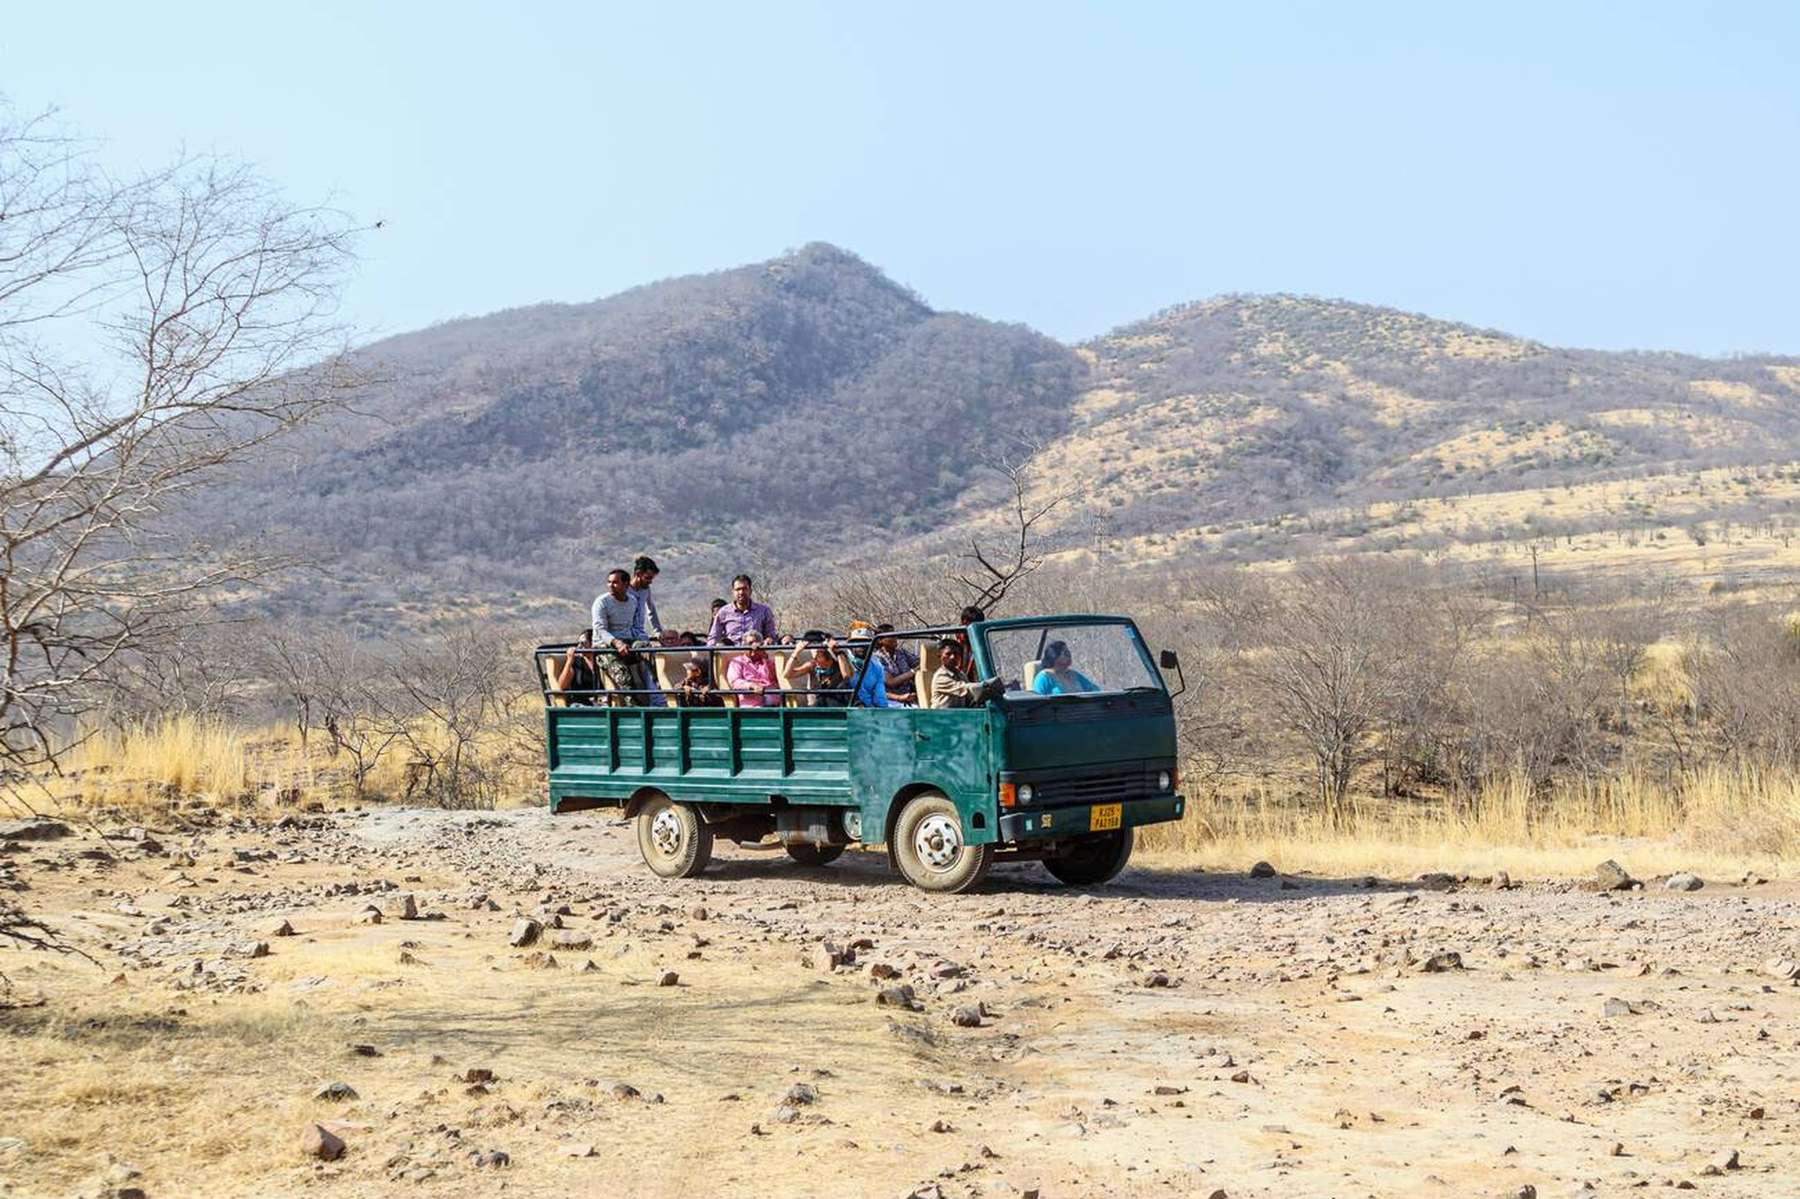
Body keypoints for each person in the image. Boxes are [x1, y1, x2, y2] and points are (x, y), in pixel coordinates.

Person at [590, 568, 644, 702]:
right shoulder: (602, 602)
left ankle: (659, 694)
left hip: (627, 641)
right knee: (622, 674)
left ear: (626, 585)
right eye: (609, 582)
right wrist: (616, 643)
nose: (611, 586)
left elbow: (632, 626)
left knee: (646, 649)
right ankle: (633, 708)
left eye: (615, 583)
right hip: (605, 646)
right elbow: (600, 629)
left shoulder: (632, 601)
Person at [930, 639, 1004, 709]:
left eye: (956, 654)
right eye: (948, 654)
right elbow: (964, 688)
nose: (953, 657)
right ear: (940, 656)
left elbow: (970, 697)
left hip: (960, 715)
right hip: (943, 718)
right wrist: (985, 686)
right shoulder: (940, 676)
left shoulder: (960, 674)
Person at [707, 574, 778, 645]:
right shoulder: (723, 612)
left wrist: (768, 640)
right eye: (738, 589)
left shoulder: (764, 611)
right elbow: (713, 637)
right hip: (730, 654)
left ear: (750, 591)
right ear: (733, 592)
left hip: (756, 653)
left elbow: (771, 635)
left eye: (744, 589)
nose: (741, 592)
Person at [784, 631, 848, 707]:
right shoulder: (812, 665)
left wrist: (837, 651)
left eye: (818, 646)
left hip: (836, 704)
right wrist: (796, 652)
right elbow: (787, 675)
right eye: (812, 647)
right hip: (816, 707)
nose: (815, 651)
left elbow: (847, 676)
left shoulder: (837, 661)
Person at [724, 631, 780, 706]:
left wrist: (765, 658)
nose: (754, 647)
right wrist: (751, 685)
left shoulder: (767, 660)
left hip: (773, 702)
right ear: (744, 646)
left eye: (757, 643)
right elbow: (734, 682)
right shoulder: (737, 661)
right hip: (752, 703)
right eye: (750, 643)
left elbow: (775, 678)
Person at [1032, 639, 1100, 695]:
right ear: (1054, 656)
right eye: (1066, 653)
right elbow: (1037, 703)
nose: (1069, 656)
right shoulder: (1044, 678)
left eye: (1069, 652)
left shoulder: (1074, 675)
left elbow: (1095, 691)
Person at [873, 623, 919, 706]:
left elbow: (917, 662)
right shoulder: (877, 659)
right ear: (880, 640)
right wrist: (913, 672)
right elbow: (891, 682)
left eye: (895, 635)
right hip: (890, 700)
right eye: (891, 635)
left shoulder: (901, 653)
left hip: (909, 696)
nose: (895, 638)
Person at [552, 630, 602, 705]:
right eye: (578, 643)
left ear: (593, 644)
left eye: (583, 643)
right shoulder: (576, 662)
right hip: (580, 704)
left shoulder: (601, 662)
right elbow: (561, 686)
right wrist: (569, 661)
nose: (579, 647)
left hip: (600, 703)